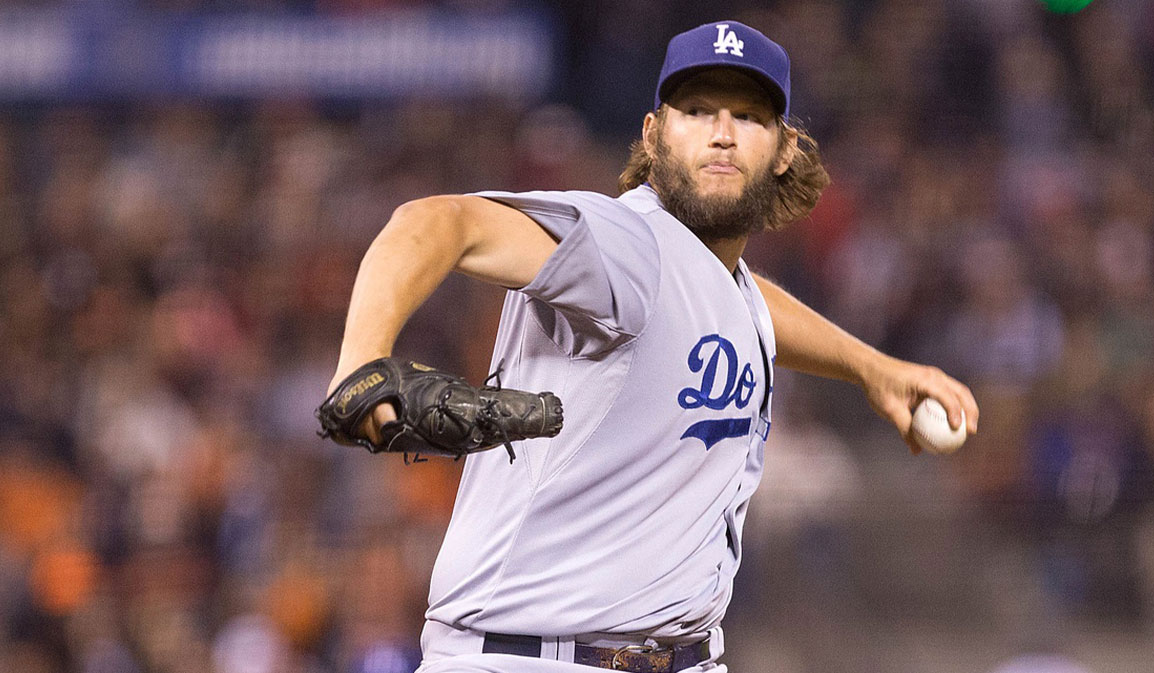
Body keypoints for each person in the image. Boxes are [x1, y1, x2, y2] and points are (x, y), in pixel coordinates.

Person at [327, 20, 979, 673]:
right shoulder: (623, 244)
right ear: (652, 134)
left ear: (784, 149)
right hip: (533, 658)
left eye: (747, 116)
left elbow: (744, 304)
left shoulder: (717, 276)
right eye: (696, 111)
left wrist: (870, 367)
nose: (721, 132)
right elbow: (438, 222)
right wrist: (362, 357)